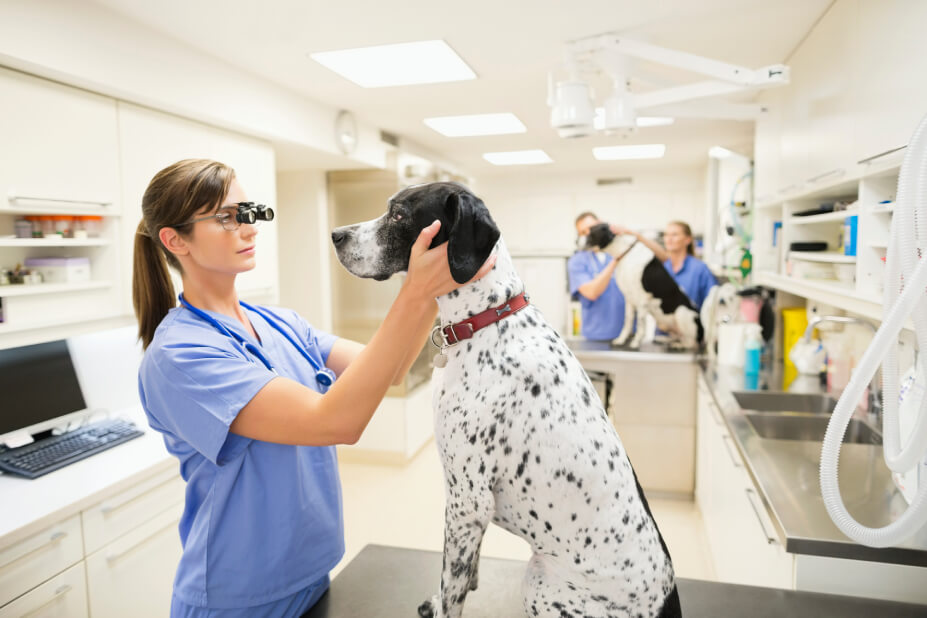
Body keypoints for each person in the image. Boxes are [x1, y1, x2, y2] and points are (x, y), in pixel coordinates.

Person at [132, 159, 494, 618]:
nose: (248, 228)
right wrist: (416, 292)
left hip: (312, 576)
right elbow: (336, 422)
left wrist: (427, 280)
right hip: (239, 597)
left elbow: (393, 367)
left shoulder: (278, 322)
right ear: (174, 239)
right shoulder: (181, 354)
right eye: (226, 217)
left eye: (249, 212)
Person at [567, 212, 627, 341]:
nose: (589, 234)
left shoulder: (621, 249)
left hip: (627, 335)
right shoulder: (577, 261)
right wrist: (615, 261)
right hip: (596, 336)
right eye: (583, 232)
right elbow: (592, 292)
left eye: (592, 228)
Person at [661, 220, 717, 310]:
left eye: (674, 235)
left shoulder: (700, 269)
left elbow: (713, 303)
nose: (669, 239)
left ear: (688, 240)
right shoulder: (662, 269)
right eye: (666, 235)